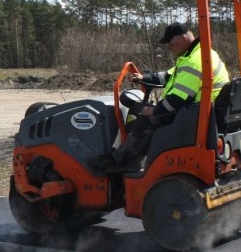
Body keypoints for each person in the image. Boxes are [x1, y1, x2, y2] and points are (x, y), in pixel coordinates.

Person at [89, 22, 230, 174]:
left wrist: (154, 111)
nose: (169, 48)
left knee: (146, 119)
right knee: (150, 114)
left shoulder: (194, 61)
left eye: (171, 44)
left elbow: (177, 99)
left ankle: (124, 160)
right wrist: (145, 77)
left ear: (183, 39)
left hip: (194, 113)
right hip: (202, 109)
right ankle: (129, 157)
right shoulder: (199, 53)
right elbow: (170, 76)